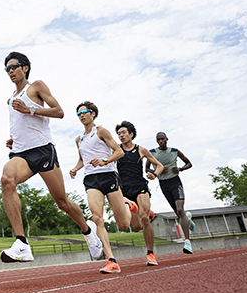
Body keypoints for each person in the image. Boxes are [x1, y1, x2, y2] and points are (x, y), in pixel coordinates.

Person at [0, 52, 103, 263]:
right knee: (6, 179)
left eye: (14, 66)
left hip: (43, 151)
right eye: (7, 68)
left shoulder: (36, 86)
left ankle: (88, 232)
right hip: (21, 153)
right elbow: (20, 125)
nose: (10, 71)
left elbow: (59, 112)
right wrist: (14, 138)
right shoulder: (10, 100)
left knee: (62, 202)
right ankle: (21, 243)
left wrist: (31, 109)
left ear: (25, 68)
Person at [69, 101, 139, 274]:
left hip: (108, 176)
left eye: (84, 112)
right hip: (91, 180)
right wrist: (75, 169)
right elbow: (82, 159)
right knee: (97, 218)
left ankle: (126, 205)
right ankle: (111, 260)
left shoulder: (100, 131)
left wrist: (104, 161)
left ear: (93, 114)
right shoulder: (79, 139)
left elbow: (119, 151)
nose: (81, 115)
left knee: (123, 223)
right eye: (78, 113)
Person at [115, 121, 163, 266]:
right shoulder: (116, 150)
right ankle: (141, 209)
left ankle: (150, 254)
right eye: (118, 134)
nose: (120, 135)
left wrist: (154, 174)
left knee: (144, 218)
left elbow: (159, 166)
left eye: (123, 132)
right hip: (124, 190)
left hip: (140, 186)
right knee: (136, 227)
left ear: (131, 134)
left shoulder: (141, 150)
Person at [147, 132, 195, 254]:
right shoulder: (152, 153)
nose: (160, 141)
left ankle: (187, 242)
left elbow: (189, 163)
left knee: (180, 210)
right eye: (158, 140)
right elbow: (147, 169)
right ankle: (187, 219)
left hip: (175, 182)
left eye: (162, 139)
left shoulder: (175, 151)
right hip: (163, 184)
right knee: (179, 214)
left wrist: (180, 169)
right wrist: (158, 171)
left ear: (166, 139)